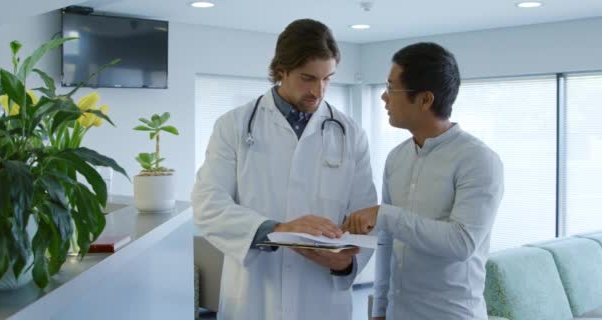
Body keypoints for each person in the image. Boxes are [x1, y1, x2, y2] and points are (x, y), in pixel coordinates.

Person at [192, 19, 377, 320]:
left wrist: (343, 263)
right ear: (281, 70)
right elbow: (207, 205)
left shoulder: (350, 134)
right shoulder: (234, 126)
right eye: (308, 78)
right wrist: (276, 231)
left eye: (327, 79)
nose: (319, 91)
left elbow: (364, 217)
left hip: (321, 299)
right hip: (254, 298)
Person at [342, 42, 504, 320]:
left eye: (392, 88)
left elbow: (462, 243)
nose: (384, 97)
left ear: (425, 100)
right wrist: (380, 308)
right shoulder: (396, 158)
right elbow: (387, 243)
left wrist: (385, 215)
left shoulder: (478, 160)